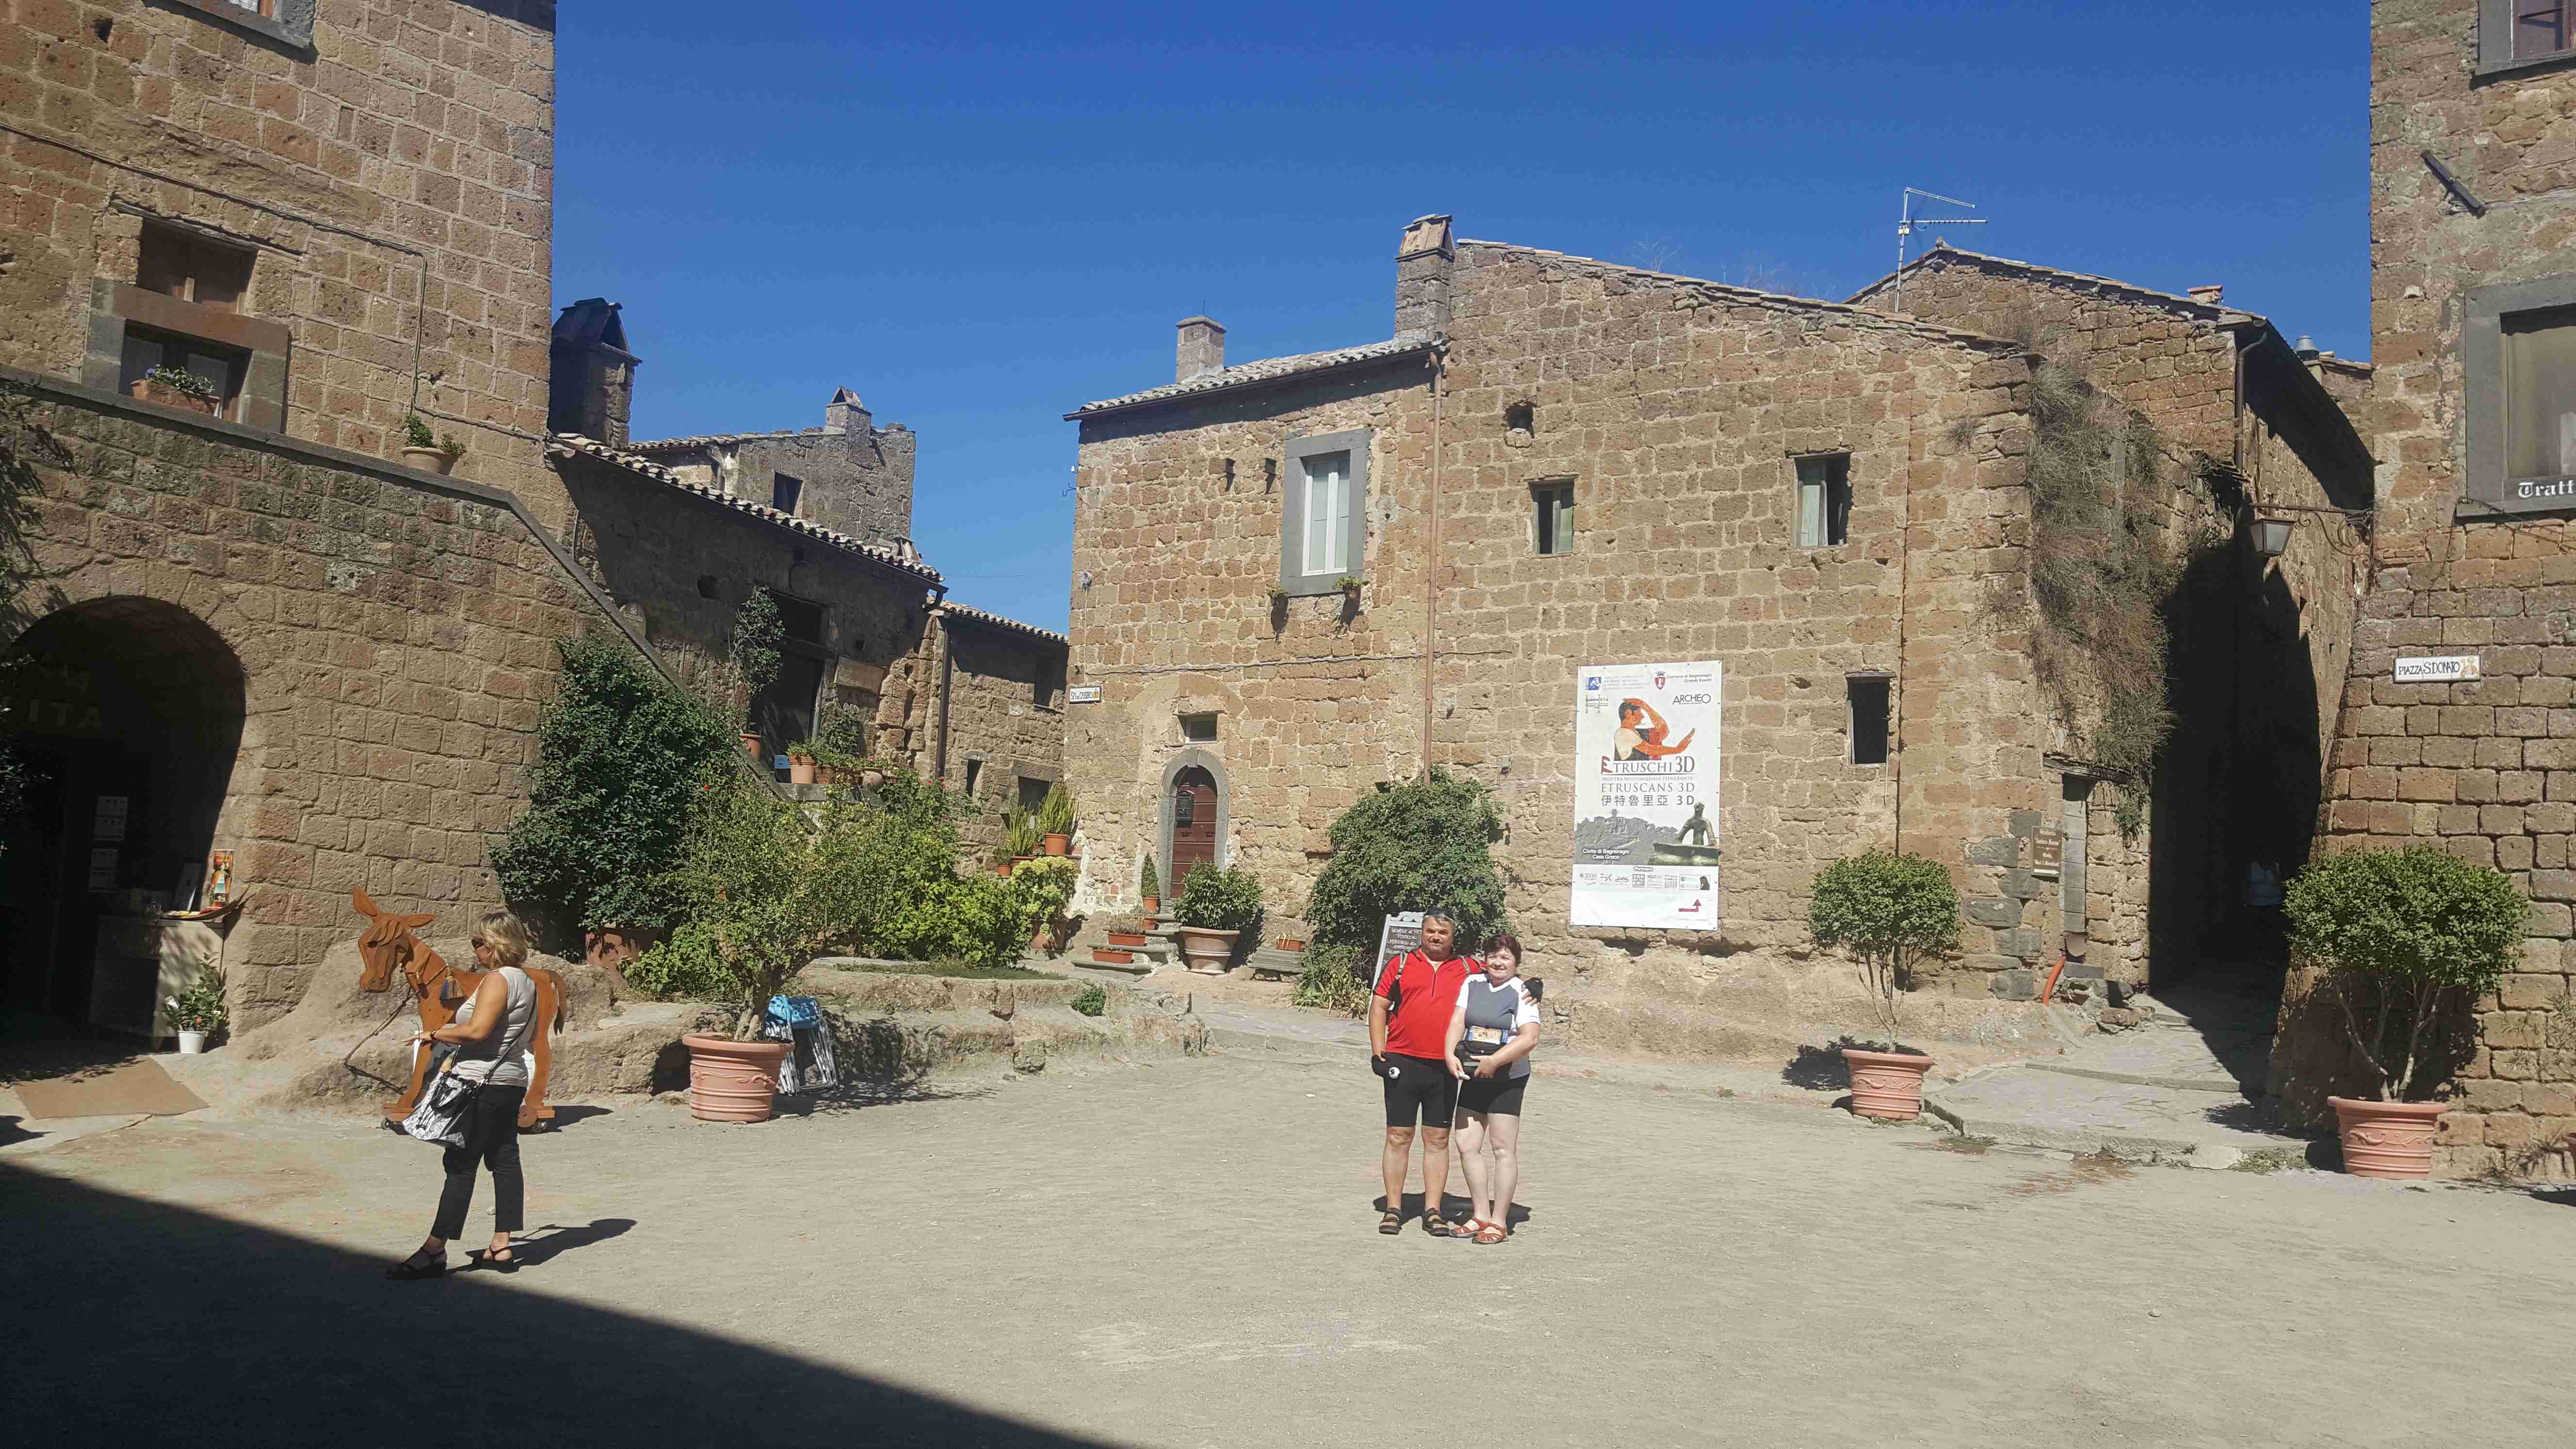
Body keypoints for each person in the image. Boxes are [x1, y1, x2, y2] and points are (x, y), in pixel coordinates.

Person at [387, 910, 540, 1280]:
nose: (475, 951)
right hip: (510, 1081)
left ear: (495, 945)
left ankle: (433, 1250)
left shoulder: (498, 980)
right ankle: (501, 1245)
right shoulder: (528, 982)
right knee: (504, 1158)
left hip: (480, 1082)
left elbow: (476, 1031)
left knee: (461, 1165)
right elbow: (526, 1036)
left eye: (478, 943)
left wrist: (434, 1034)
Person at [1369, 908, 1473, 1237]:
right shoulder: (1400, 964)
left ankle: (1433, 1211)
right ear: (1422, 933)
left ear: (1452, 937)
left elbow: (1502, 979)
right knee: (1398, 1136)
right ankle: (1393, 1209)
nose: (1436, 937)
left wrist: (1530, 986)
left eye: (1443, 932)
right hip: (1403, 1062)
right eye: (1430, 931)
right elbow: (1379, 1006)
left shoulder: (1469, 969)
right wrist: (1378, 1051)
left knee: (1438, 1139)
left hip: (1445, 1065)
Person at [1444, 933, 1541, 1244]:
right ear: (1485, 959)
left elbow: (1530, 1038)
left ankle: (1499, 1222)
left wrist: (1495, 1061)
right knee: (1467, 1145)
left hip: (1507, 1079)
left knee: (1502, 1149)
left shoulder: (1522, 992)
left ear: (1516, 963)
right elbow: (1458, 1021)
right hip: (1473, 1075)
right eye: (1494, 956)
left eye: (1506, 958)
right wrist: (1449, 1054)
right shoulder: (1472, 983)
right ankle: (1480, 1215)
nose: (1499, 963)